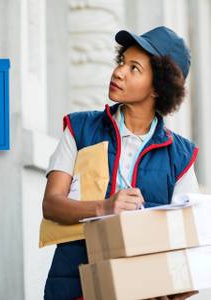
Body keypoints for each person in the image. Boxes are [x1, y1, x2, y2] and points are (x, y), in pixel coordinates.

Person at [42, 26, 200, 300]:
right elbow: (51, 204)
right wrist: (104, 207)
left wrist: (173, 286)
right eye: (122, 62)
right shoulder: (79, 129)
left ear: (158, 88)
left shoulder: (182, 157)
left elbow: (186, 241)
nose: (119, 72)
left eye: (134, 68)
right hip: (75, 288)